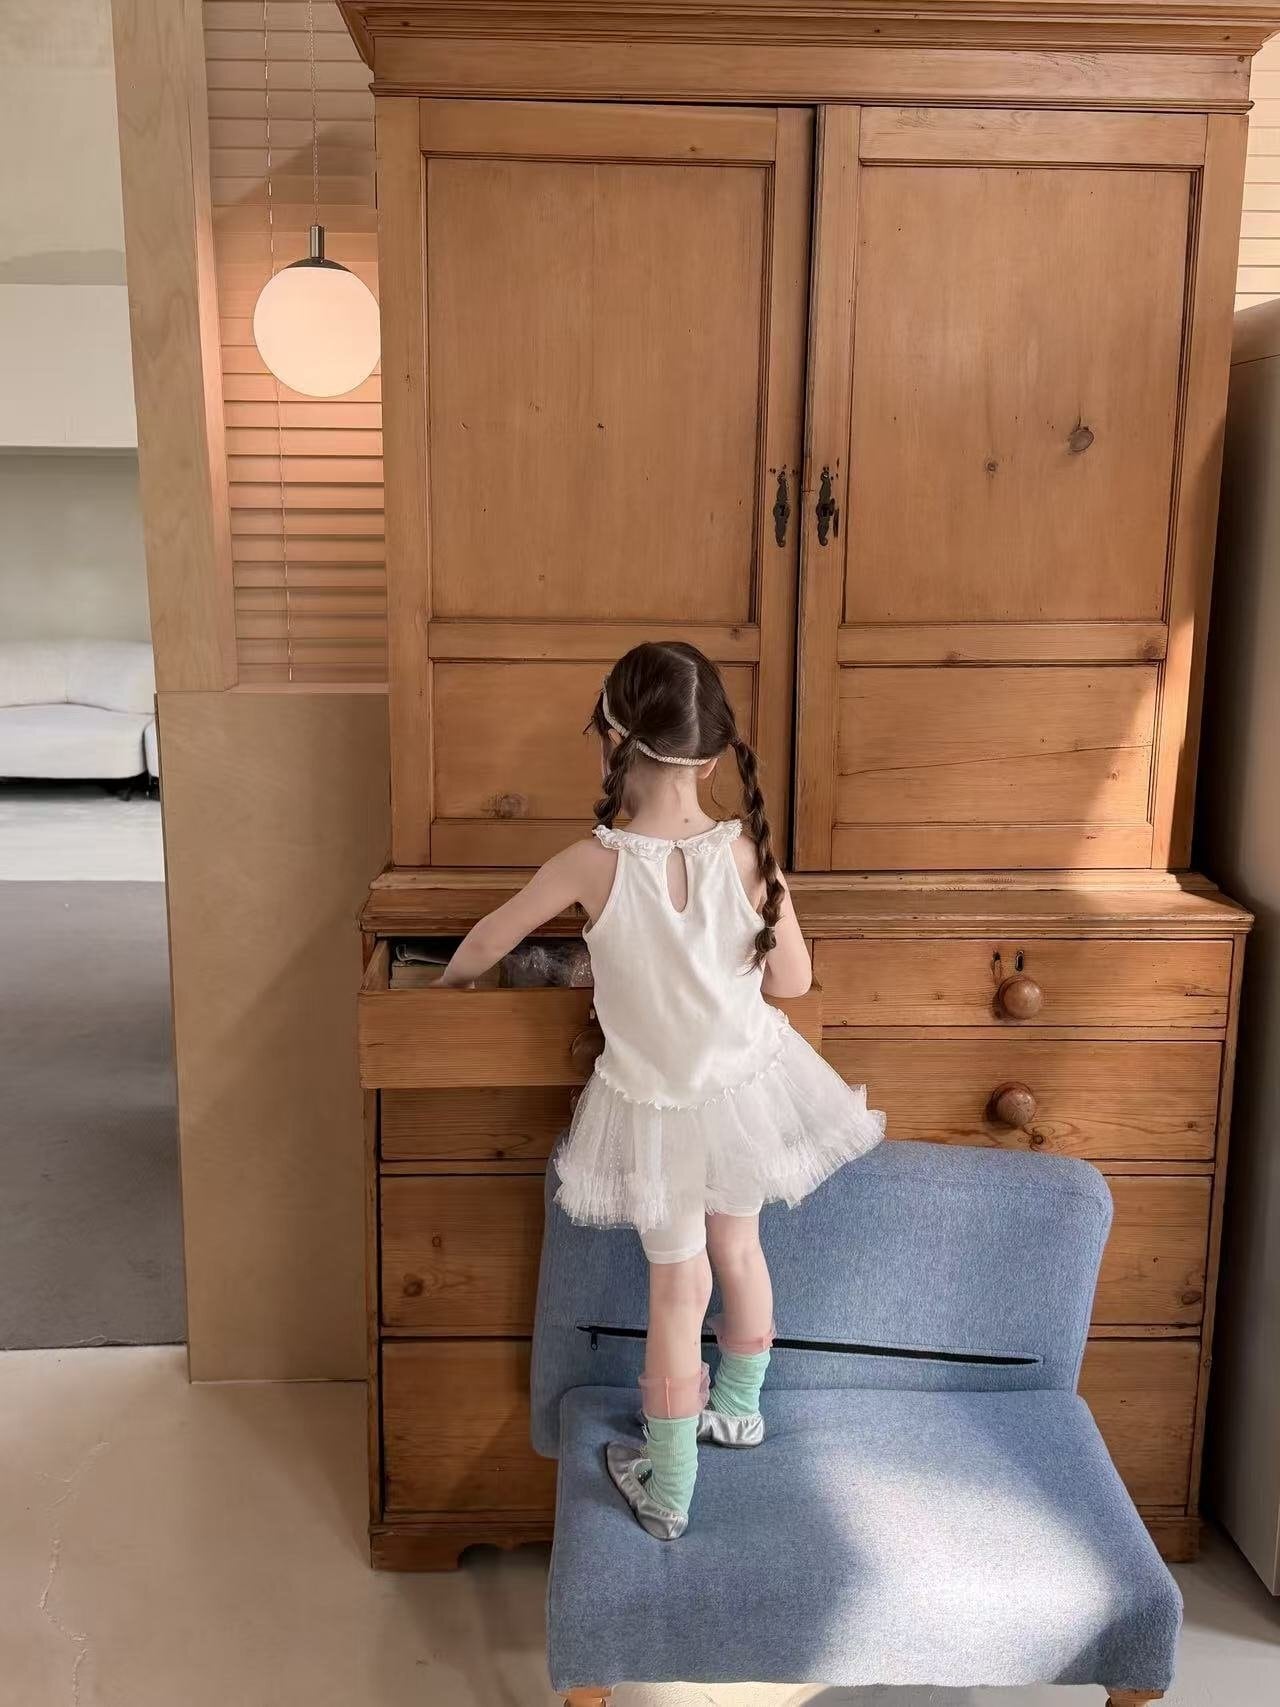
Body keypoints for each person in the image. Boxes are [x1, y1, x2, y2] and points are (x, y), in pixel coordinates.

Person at [435, 641, 885, 1539]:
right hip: (743, 1094)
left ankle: (669, 1486)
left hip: (656, 1111)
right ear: (712, 758)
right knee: (741, 1253)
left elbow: (489, 937)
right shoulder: (749, 855)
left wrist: (447, 987)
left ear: (610, 740)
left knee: (677, 1291)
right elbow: (794, 981)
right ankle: (739, 1410)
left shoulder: (588, 864)